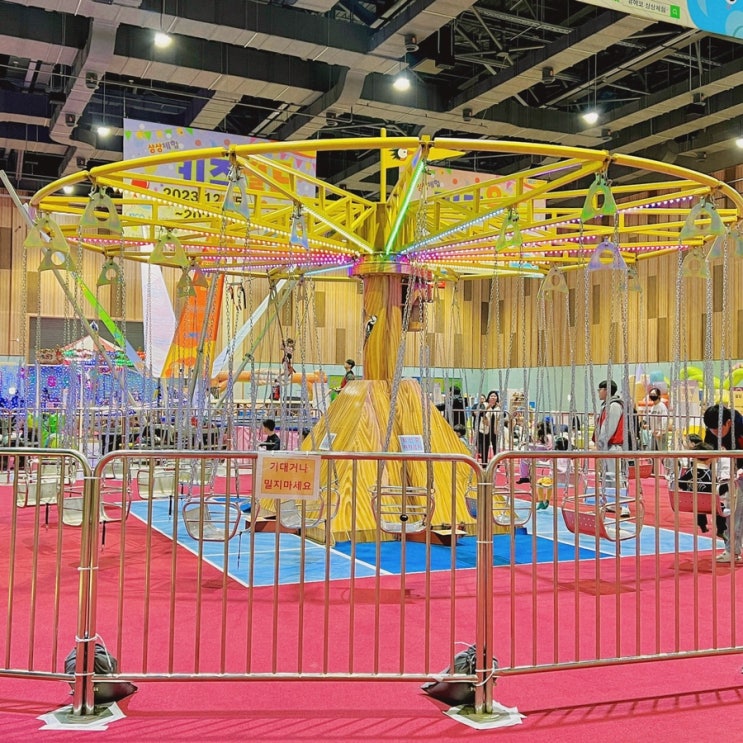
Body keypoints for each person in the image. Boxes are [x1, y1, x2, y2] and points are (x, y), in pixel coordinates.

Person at [702, 404, 743, 562]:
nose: (715, 433)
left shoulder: (740, 426)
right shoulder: (711, 430)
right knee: (731, 512)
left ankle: (733, 550)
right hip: (729, 477)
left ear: (728, 423)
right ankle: (732, 550)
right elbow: (706, 455)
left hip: (739, 472)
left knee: (736, 512)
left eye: (719, 429)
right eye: (712, 429)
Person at [593, 379, 629, 516]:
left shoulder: (614, 406)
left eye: (600, 390)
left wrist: (600, 444)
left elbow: (608, 428)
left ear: (606, 390)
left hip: (612, 447)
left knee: (615, 477)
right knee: (608, 477)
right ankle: (612, 503)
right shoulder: (607, 405)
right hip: (607, 447)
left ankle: (623, 505)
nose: (598, 392)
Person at [646, 386, 670, 474]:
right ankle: (652, 472)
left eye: (654, 394)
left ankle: (670, 471)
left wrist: (661, 431)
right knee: (652, 454)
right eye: (651, 394)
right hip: (653, 433)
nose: (652, 396)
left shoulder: (662, 406)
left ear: (659, 395)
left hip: (661, 434)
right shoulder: (653, 407)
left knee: (663, 455)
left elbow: (664, 419)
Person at [477, 390, 500, 466]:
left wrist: (501, 408)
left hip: (495, 430)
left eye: (495, 396)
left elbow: (504, 416)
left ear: (497, 398)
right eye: (491, 396)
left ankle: (496, 462)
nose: (493, 397)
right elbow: (480, 413)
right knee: (485, 447)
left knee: (496, 447)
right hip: (485, 429)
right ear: (488, 397)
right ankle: (484, 463)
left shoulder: (498, 406)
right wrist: (487, 407)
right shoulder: (484, 404)